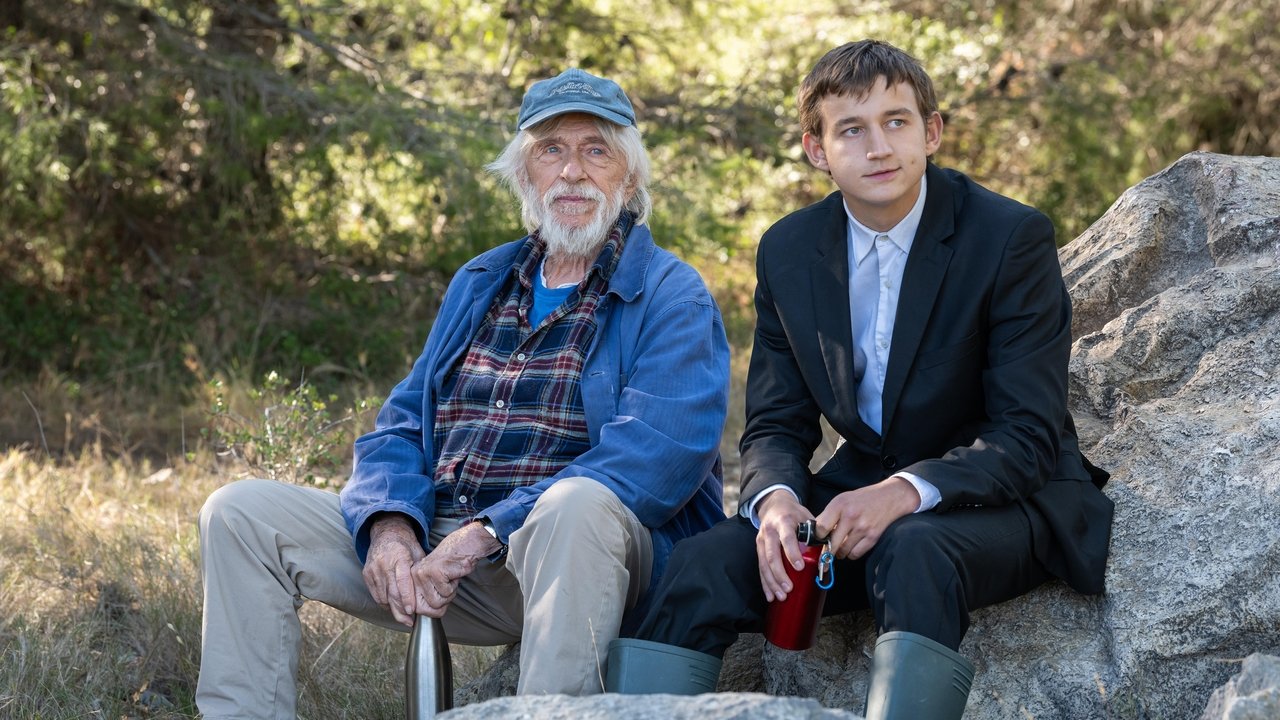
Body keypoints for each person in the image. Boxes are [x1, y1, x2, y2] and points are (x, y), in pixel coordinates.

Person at [196, 68, 730, 717]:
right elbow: (400, 425)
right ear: (524, 174)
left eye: (597, 149)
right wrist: (391, 526)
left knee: (578, 504)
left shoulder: (672, 293)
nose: (572, 171)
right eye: (550, 150)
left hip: (578, 561)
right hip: (442, 548)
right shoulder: (483, 280)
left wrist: (485, 531)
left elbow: (656, 457)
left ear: (631, 177)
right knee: (241, 511)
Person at [609, 40, 1114, 719]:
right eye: (852, 129)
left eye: (897, 122)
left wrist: (902, 494)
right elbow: (774, 423)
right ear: (818, 150)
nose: (879, 146)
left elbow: (1024, 435)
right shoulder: (789, 250)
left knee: (913, 548)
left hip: (1006, 500)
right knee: (702, 563)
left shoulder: (1008, 237)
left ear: (931, 132)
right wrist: (779, 500)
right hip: (856, 496)